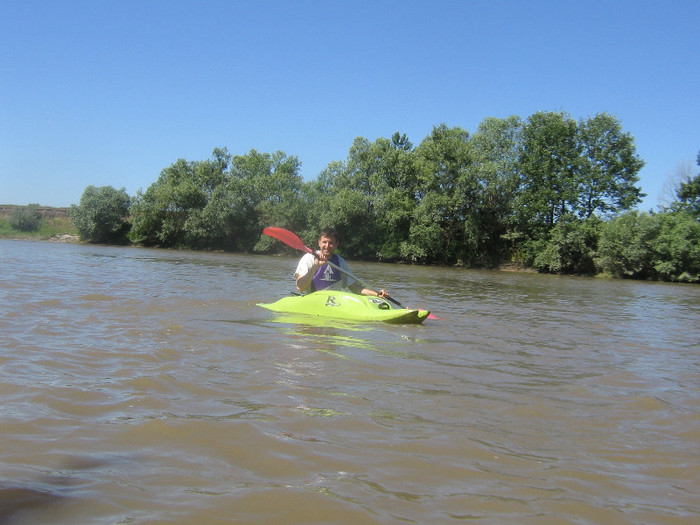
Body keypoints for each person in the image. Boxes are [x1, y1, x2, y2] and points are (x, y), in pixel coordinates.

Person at [295, 228, 388, 298]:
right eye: (324, 242)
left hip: (333, 302)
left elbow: (355, 288)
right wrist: (316, 266)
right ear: (319, 242)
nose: (327, 246)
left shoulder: (340, 262)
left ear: (336, 244)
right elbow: (300, 287)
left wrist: (376, 294)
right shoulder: (309, 258)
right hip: (310, 299)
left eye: (331, 243)